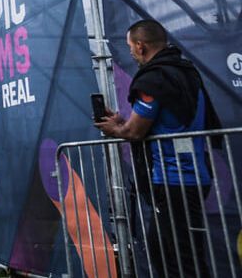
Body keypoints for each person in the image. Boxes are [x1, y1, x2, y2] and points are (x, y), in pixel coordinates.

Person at [94, 19, 220, 278]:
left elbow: (135, 131)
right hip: (194, 177)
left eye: (131, 47)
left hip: (172, 181)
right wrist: (121, 122)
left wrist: (115, 129)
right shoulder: (186, 72)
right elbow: (166, 120)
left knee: (178, 258)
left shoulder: (154, 79)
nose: (130, 53)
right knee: (172, 251)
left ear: (141, 46)